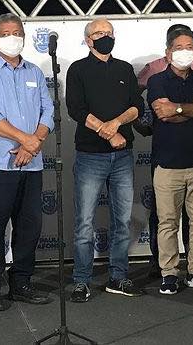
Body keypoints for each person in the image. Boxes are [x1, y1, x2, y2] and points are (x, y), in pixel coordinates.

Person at [0, 13, 55, 312]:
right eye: (5, 33)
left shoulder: (34, 72)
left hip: (31, 164)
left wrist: (33, 143)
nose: (12, 38)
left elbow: (47, 111)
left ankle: (21, 283)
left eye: (16, 32)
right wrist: (25, 139)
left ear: (24, 36)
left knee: (29, 227)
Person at [66, 18, 145, 302]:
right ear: (88, 40)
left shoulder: (124, 69)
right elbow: (76, 109)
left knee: (122, 221)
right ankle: (81, 280)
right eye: (99, 33)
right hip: (90, 155)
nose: (105, 37)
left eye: (109, 32)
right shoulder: (78, 69)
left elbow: (137, 106)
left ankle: (118, 276)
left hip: (122, 155)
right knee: (84, 223)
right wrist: (106, 131)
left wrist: (116, 123)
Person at [135, 23, 193, 278]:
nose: (185, 52)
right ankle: (168, 273)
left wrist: (179, 108)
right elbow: (163, 113)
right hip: (167, 165)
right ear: (168, 52)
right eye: (179, 47)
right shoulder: (156, 79)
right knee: (167, 223)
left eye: (190, 47)